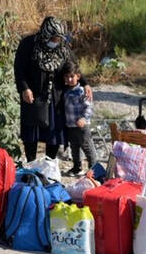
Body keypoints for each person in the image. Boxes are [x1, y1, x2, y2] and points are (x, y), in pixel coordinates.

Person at [14, 17, 92, 162]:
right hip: (33, 96)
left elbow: (73, 67)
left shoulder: (62, 48)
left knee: (54, 134)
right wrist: (24, 88)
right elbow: (19, 69)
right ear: (46, 34)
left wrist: (85, 83)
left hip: (55, 97)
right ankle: (31, 164)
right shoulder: (28, 44)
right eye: (53, 38)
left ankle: (49, 164)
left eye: (58, 39)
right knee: (32, 133)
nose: (55, 42)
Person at [60, 61, 96, 177]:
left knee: (87, 146)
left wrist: (84, 118)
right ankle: (77, 167)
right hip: (70, 125)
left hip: (82, 126)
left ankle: (94, 169)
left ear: (78, 76)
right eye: (67, 77)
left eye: (72, 76)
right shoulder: (65, 91)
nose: (69, 79)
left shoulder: (82, 91)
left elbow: (89, 107)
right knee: (74, 147)